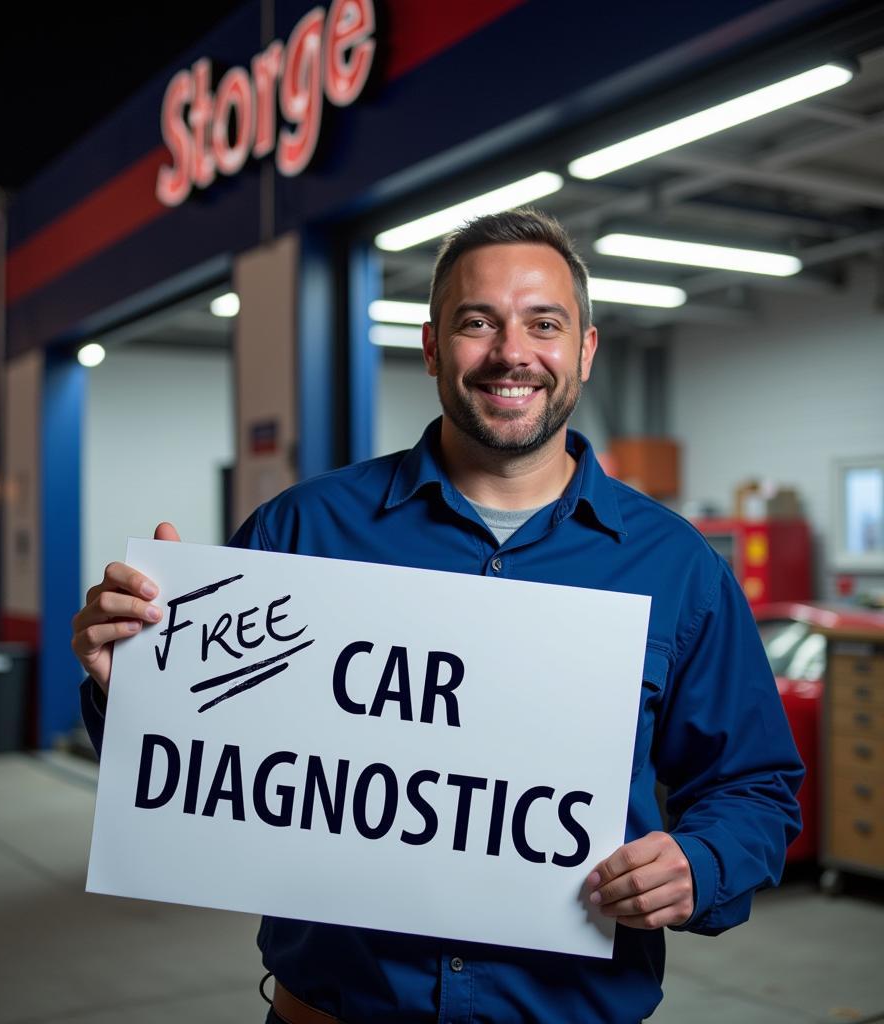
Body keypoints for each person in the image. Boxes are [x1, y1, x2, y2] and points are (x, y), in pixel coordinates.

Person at [72, 208, 803, 1024]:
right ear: (431, 347)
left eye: (544, 324)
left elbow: (756, 787)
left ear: (584, 352)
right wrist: (130, 683)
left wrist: (700, 864)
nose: (511, 353)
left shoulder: (679, 569)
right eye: (477, 322)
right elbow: (192, 769)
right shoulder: (302, 533)